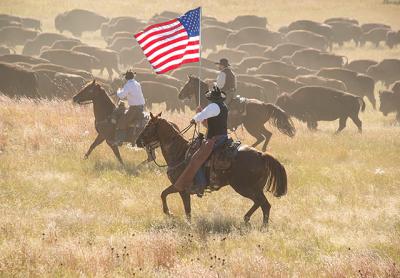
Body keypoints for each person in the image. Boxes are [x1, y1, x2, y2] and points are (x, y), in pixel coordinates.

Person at [173, 86, 229, 197]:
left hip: (214, 139)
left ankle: (200, 185)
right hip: (223, 137)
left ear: (211, 98)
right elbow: (207, 117)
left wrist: (194, 119)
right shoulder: (224, 106)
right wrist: (201, 112)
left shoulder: (213, 106)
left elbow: (203, 115)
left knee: (195, 159)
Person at [112, 70, 145, 146]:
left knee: (122, 122)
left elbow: (121, 96)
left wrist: (118, 91)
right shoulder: (137, 83)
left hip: (134, 109)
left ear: (126, 78)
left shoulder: (128, 85)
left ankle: (119, 141)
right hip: (140, 107)